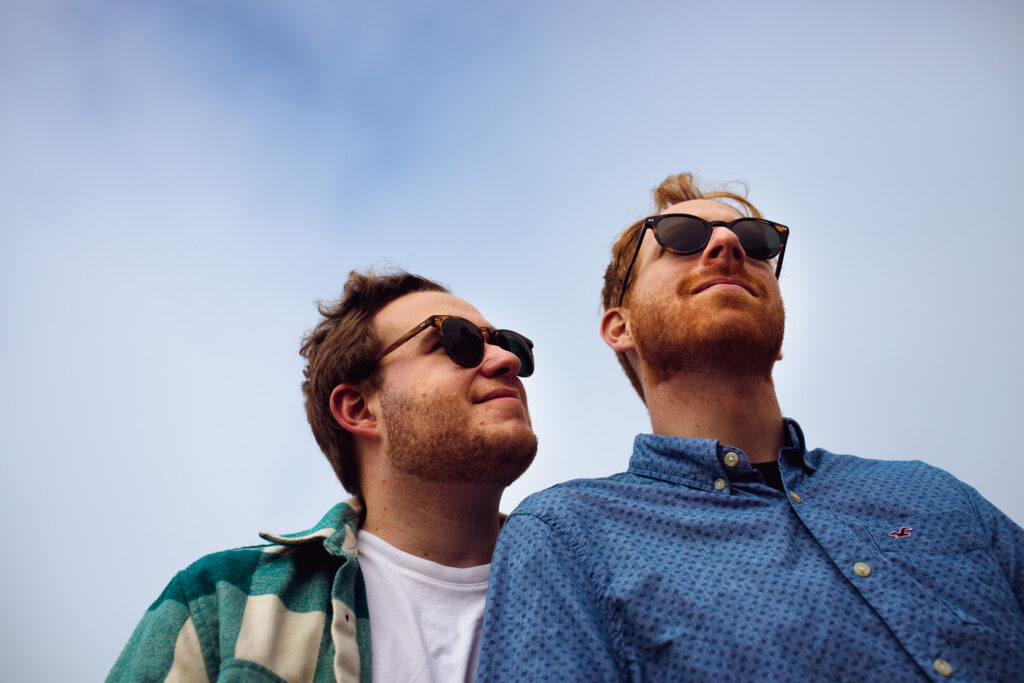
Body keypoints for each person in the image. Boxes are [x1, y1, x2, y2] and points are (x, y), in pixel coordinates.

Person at [477, 173, 1024, 681]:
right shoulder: (569, 537)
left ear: (779, 326)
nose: (728, 245)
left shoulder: (935, 494)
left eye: (756, 241)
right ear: (621, 327)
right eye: (681, 237)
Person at [109, 269, 538, 682]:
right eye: (456, 339)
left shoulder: (587, 582)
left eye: (508, 343)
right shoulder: (221, 604)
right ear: (359, 409)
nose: (506, 361)